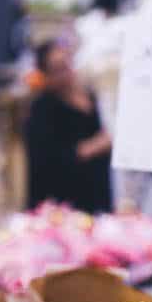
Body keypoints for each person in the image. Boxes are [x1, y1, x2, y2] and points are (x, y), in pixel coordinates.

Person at [25, 40, 113, 213]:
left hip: (96, 196)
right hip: (62, 204)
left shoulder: (89, 95)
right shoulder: (42, 109)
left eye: (67, 64)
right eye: (58, 69)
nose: (67, 72)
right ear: (46, 75)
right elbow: (51, 160)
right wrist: (95, 146)